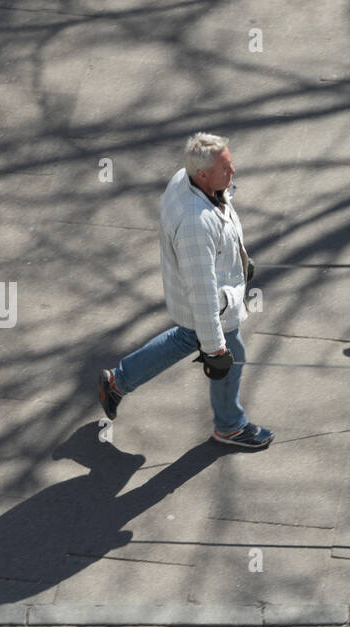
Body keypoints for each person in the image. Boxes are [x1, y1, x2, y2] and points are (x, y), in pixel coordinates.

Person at [98, 132, 273, 449]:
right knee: (231, 357)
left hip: (206, 294)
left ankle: (117, 381)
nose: (232, 173)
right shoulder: (195, 222)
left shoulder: (190, 179)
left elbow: (218, 242)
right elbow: (203, 294)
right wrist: (216, 350)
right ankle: (230, 427)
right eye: (226, 169)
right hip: (211, 305)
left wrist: (240, 260)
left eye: (230, 164)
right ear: (203, 174)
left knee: (186, 337)